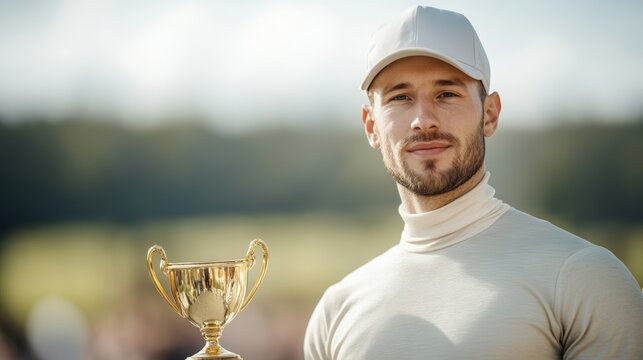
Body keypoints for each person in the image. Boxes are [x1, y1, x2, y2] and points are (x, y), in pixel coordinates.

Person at [303, 5, 643, 360]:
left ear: (490, 114)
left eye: (446, 94)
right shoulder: (335, 312)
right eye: (400, 97)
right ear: (372, 126)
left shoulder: (584, 277)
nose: (423, 120)